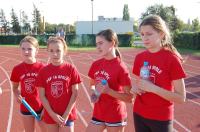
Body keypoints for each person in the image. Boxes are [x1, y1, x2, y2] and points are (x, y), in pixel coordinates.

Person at [130, 15, 186, 132]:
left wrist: (153, 88)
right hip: (139, 114)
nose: (145, 38)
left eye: (149, 34)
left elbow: (181, 97)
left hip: (161, 118)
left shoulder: (171, 59)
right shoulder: (139, 57)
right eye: (142, 34)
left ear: (161, 34)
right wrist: (134, 88)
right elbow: (137, 83)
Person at [86, 29, 133, 132]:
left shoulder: (121, 67)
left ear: (112, 43)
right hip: (98, 113)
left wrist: (109, 91)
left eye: (101, 43)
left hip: (115, 115)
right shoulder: (96, 64)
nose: (98, 47)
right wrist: (93, 92)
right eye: (96, 44)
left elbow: (129, 98)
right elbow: (92, 85)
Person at [35, 36, 81, 132]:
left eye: (58, 50)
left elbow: (75, 93)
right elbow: (42, 96)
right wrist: (52, 114)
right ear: (47, 51)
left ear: (64, 51)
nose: (55, 54)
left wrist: (66, 114)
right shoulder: (43, 71)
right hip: (50, 114)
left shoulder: (71, 69)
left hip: (67, 114)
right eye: (51, 51)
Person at [10, 36, 46, 132]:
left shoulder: (43, 68)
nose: (26, 52)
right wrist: (17, 95)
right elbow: (15, 87)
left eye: (30, 49)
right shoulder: (17, 69)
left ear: (36, 50)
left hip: (42, 107)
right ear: (20, 50)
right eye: (23, 49)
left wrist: (46, 109)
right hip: (26, 107)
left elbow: (49, 91)